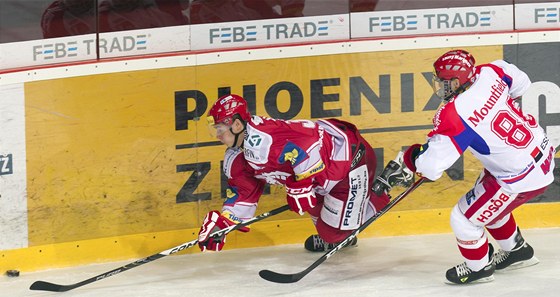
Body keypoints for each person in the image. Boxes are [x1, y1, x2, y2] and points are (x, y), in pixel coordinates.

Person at [383, 49, 556, 284]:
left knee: (463, 219)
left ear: (458, 81)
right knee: (487, 208)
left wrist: (412, 157)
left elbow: (431, 167)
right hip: (540, 153)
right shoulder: (491, 71)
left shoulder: (454, 114)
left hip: (519, 176)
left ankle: (480, 268)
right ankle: (517, 251)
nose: (441, 88)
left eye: (445, 83)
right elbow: (523, 84)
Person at [197, 94, 413, 253]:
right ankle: (339, 229)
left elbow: (309, 143)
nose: (217, 135)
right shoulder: (237, 156)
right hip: (324, 175)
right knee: (310, 208)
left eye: (219, 129)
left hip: (349, 160)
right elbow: (244, 192)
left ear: (236, 124)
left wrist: (301, 185)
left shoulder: (263, 141)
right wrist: (223, 223)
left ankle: (386, 183)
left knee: (334, 234)